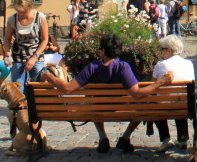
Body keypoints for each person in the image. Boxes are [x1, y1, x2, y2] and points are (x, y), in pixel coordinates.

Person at [42, 33, 173, 153]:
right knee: (142, 104)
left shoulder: (92, 67)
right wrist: (160, 82)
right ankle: (125, 137)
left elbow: (67, 88)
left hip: (99, 110)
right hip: (125, 109)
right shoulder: (123, 67)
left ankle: (103, 137)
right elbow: (137, 94)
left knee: (92, 101)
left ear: (103, 51)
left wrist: (49, 76)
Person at [150, 35, 195, 152]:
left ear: (169, 50)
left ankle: (165, 138)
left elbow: (154, 83)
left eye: (162, 49)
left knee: (156, 103)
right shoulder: (189, 63)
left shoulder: (160, 65)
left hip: (164, 106)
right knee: (179, 100)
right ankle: (182, 138)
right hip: (185, 106)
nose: (161, 52)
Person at [2, 0, 49, 91]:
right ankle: (20, 105)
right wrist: (7, 54)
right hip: (18, 56)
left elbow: (45, 39)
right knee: (18, 88)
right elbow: (7, 39)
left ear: (29, 7)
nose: (20, 14)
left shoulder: (40, 18)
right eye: (18, 11)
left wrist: (34, 58)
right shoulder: (12, 19)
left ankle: (34, 106)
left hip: (36, 56)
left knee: (37, 88)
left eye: (23, 11)